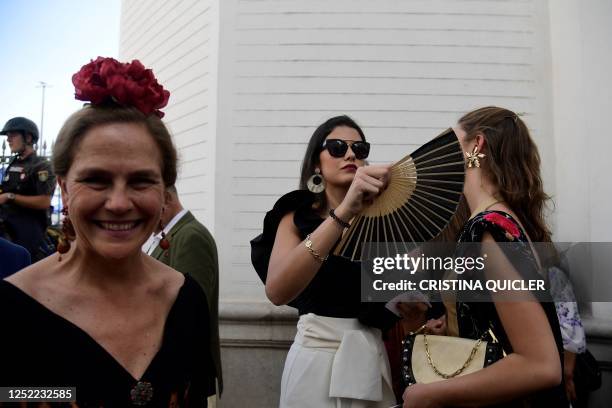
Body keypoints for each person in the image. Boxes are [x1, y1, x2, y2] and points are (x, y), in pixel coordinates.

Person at [0, 57, 214, 407]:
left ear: (164, 191)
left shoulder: (186, 300)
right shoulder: (13, 309)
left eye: (141, 181)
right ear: (65, 189)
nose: (118, 203)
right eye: (96, 180)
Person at [401, 106, 568, 407]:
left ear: (476, 145)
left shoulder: (489, 230)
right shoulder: (496, 223)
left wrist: (428, 394)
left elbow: (541, 365)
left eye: (452, 142)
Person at [251, 115, 400, 407]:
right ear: (316, 162)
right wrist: (344, 212)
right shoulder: (297, 214)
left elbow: (387, 308)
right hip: (315, 363)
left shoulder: (384, 222)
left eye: (359, 149)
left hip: (369, 361)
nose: (349, 154)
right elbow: (277, 290)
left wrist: (412, 307)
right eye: (336, 147)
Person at [145, 185, 223, 400]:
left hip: (180, 374)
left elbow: (190, 314)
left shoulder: (190, 236)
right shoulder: (169, 234)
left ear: (166, 200)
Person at [0, 116, 56, 261]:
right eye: (7, 136)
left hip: (28, 231)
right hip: (7, 225)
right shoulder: (14, 162)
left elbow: (44, 201)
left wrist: (9, 197)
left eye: (12, 135)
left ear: (28, 138)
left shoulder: (41, 165)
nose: (8, 139)